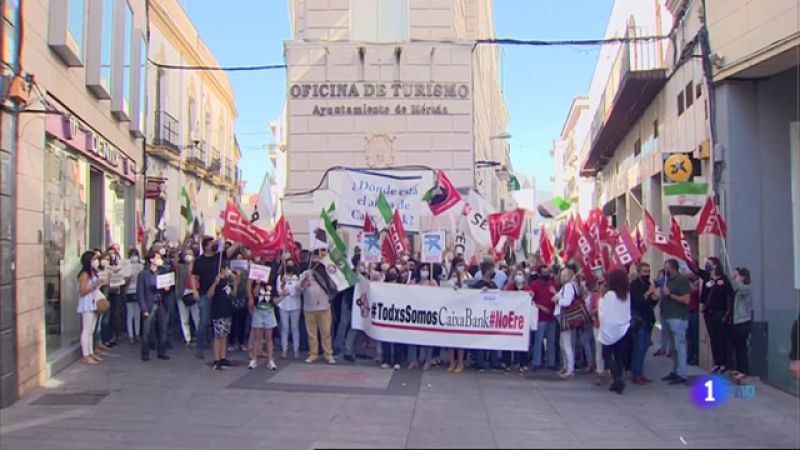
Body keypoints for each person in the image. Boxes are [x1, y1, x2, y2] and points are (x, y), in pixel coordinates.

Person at [191, 237, 230, 359]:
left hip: (219, 295)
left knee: (221, 321)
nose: (214, 245)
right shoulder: (199, 261)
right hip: (204, 293)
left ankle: (220, 348)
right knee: (203, 320)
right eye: (212, 243)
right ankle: (200, 346)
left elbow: (231, 250)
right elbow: (193, 276)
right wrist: (194, 291)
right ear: (206, 246)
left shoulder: (218, 257)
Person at [299, 250, 337, 365]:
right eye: (314, 259)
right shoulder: (305, 273)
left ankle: (328, 354)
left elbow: (334, 287)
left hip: (324, 307)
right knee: (312, 333)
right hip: (309, 308)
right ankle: (313, 353)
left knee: (326, 332)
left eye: (318, 259)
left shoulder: (326, 273)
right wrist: (302, 284)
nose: (316, 262)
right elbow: (297, 289)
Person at [598, 267, 632, 394]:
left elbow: (603, 311)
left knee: (606, 355)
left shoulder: (609, 295)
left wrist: (601, 297)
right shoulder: (626, 295)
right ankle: (617, 379)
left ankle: (617, 379)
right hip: (623, 328)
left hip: (610, 329)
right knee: (619, 356)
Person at [661, 259, 691, 385]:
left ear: (673, 268)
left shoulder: (682, 280)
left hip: (678, 317)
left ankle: (682, 373)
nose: (666, 270)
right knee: (672, 347)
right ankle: (675, 370)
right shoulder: (667, 280)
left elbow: (686, 300)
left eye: (667, 267)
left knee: (679, 346)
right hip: (667, 315)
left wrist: (671, 295)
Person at [137, 250, 170, 362]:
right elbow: (140, 293)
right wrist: (143, 308)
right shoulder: (143, 274)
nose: (159, 260)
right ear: (151, 260)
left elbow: (167, 287)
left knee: (162, 329)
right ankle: (145, 352)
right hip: (149, 303)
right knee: (146, 330)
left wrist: (166, 288)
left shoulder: (163, 272)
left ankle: (162, 351)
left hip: (161, 302)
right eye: (157, 257)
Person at [407, 264, 440, 370]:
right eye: (423, 269)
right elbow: (406, 293)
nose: (424, 271)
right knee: (412, 337)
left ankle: (428, 360)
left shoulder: (432, 282)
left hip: (428, 314)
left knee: (428, 338)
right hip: (415, 313)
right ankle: (413, 360)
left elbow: (439, 295)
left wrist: (433, 286)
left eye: (426, 269)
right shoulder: (414, 281)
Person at [630, 262, 658, 385]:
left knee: (645, 347)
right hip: (639, 321)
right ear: (639, 272)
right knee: (639, 348)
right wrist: (647, 293)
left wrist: (654, 299)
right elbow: (638, 302)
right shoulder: (635, 285)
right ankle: (636, 374)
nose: (647, 274)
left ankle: (640, 372)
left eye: (648, 271)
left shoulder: (647, 284)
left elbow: (650, 304)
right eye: (645, 271)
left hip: (649, 319)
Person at [703, 263, 734, 373]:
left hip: (720, 313)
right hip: (710, 314)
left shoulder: (723, 281)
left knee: (722, 339)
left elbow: (729, 295)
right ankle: (717, 362)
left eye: (713, 267)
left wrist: (727, 312)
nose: (711, 269)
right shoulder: (710, 281)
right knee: (714, 339)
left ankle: (724, 363)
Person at [77, 251, 106, 365]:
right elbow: (82, 291)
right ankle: (85, 355)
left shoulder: (93, 273)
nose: (96, 261)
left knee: (92, 330)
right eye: (94, 259)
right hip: (87, 303)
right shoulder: (84, 274)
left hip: (94, 302)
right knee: (86, 330)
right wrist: (93, 286)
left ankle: (91, 352)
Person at [471, 261, 500, 372]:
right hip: (481, 317)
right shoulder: (478, 285)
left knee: (493, 340)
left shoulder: (494, 285)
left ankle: (494, 362)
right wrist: (479, 292)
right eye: (492, 270)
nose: (494, 272)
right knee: (481, 340)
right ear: (487, 272)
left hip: (492, 317)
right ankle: (480, 363)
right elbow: (471, 298)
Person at [248, 275, 280, 370]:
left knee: (269, 338)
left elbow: (274, 300)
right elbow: (255, 294)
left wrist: (283, 296)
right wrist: (257, 284)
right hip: (258, 311)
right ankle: (254, 359)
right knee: (257, 338)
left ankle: (270, 360)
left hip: (269, 312)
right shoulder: (257, 284)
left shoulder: (271, 286)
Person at [530, 265, 558, 371]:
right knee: (538, 340)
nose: (546, 275)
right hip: (540, 317)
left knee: (551, 341)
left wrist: (555, 292)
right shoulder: (534, 285)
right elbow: (532, 301)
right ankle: (537, 362)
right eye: (544, 273)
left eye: (548, 273)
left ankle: (551, 362)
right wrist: (541, 307)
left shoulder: (552, 284)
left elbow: (558, 297)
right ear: (540, 274)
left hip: (551, 317)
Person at [505, 268, 534, 372]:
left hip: (522, 321)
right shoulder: (510, 287)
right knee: (508, 342)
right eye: (517, 274)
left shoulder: (527, 288)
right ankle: (507, 363)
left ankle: (523, 363)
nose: (519, 276)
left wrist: (531, 296)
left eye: (521, 274)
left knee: (523, 342)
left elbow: (531, 302)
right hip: (510, 319)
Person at [209, 265, 235, 370]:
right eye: (225, 269)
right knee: (218, 336)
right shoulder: (217, 281)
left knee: (225, 335)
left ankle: (223, 357)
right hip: (218, 311)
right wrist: (215, 283)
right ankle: (216, 359)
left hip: (227, 311)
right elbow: (209, 294)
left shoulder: (228, 281)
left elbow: (233, 293)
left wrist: (235, 282)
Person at [446, 257, 470, 372]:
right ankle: (452, 362)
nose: (462, 266)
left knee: (461, 338)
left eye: (463, 264)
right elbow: (446, 289)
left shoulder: (468, 276)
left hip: (463, 311)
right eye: (459, 264)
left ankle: (460, 362)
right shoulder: (452, 277)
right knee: (450, 339)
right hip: (451, 310)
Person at [729, 267, 753, 383]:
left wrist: (735, 279)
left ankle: (744, 370)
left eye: (738, 275)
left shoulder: (746, 288)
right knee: (738, 347)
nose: (735, 277)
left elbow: (739, 287)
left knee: (742, 347)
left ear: (743, 277)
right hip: (736, 321)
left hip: (743, 321)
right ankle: (739, 369)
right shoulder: (738, 289)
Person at [556, 267, 580, 379]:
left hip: (565, 317)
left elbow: (566, 302)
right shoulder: (572, 286)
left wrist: (557, 299)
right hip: (564, 317)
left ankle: (570, 368)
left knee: (566, 344)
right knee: (563, 343)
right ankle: (566, 366)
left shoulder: (568, 286)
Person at [277, 259, 302, 359]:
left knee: (295, 327)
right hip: (283, 304)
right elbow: (279, 291)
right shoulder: (280, 277)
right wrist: (283, 286)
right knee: (284, 327)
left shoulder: (298, 278)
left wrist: (290, 292)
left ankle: (296, 349)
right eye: (288, 265)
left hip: (295, 304)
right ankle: (284, 349)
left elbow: (298, 292)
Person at [177, 250, 200, 348]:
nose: (188, 256)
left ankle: (199, 338)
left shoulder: (198, 267)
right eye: (186, 254)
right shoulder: (181, 267)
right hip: (183, 293)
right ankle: (188, 339)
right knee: (184, 319)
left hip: (195, 293)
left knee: (197, 318)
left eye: (190, 254)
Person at [125, 248, 143, 344]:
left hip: (138, 291)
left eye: (135, 255)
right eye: (132, 255)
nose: (134, 257)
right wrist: (128, 279)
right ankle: (131, 335)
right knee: (130, 314)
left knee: (137, 314)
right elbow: (123, 282)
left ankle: (137, 334)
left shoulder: (141, 266)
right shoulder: (126, 267)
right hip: (129, 291)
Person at [653, 269, 672, 358]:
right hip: (663, 307)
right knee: (664, 330)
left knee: (669, 330)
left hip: (670, 308)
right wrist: (658, 274)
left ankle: (669, 349)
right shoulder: (663, 280)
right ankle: (664, 348)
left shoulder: (671, 280)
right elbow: (655, 283)